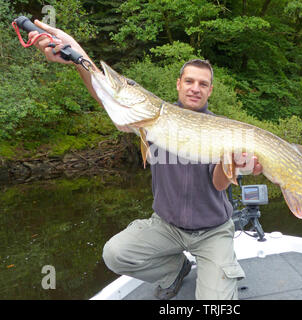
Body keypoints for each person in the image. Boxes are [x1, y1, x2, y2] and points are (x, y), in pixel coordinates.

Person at [29, 20, 263, 300]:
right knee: (115, 254)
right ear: (178, 84)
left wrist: (234, 166)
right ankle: (175, 270)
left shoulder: (220, 129)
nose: (194, 88)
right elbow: (106, 94)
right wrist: (75, 54)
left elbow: (218, 183)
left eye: (203, 84)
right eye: (189, 81)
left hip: (212, 231)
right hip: (167, 226)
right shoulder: (150, 120)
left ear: (210, 90)